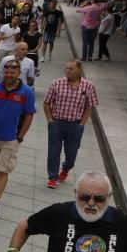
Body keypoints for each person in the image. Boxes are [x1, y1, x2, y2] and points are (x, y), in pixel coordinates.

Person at [0, 59, 36, 218]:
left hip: (10, 139)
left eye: (13, 72)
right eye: (6, 72)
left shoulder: (26, 92)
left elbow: (29, 115)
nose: (9, 75)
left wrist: (20, 136)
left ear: (19, 73)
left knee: (3, 170)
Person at [44, 60, 98, 189]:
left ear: (79, 70)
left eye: (71, 69)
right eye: (66, 68)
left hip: (75, 125)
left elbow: (90, 106)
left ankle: (66, 168)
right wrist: (50, 120)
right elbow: (47, 103)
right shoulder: (56, 83)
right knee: (53, 151)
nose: (67, 71)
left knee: (71, 153)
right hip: (57, 123)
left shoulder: (88, 86)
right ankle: (52, 177)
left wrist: (82, 124)